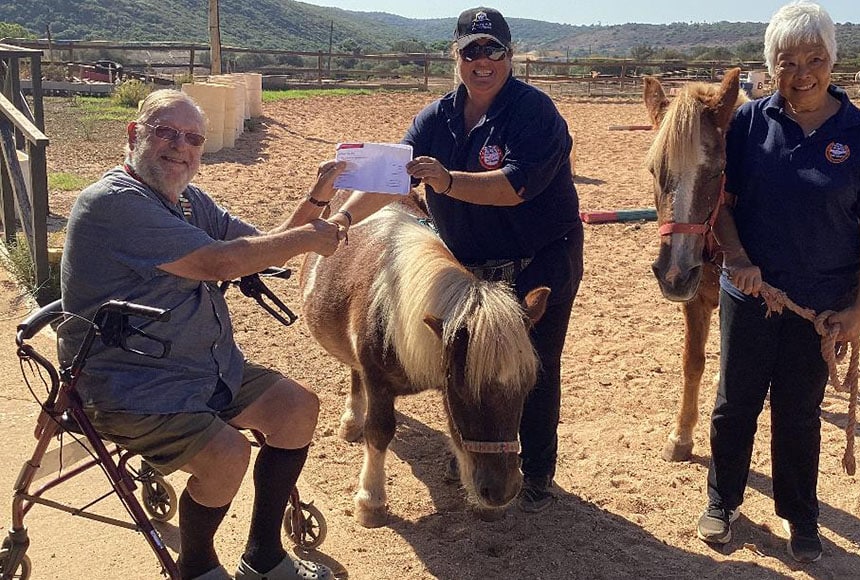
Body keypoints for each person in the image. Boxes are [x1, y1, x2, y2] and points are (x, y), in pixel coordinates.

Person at [58, 89, 352, 580]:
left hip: (201, 365)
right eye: (165, 133)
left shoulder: (189, 200)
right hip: (132, 384)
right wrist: (309, 239)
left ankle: (263, 555)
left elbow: (261, 248)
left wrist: (318, 197)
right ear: (134, 136)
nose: (180, 147)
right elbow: (217, 263)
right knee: (226, 453)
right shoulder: (112, 203)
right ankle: (196, 567)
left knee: (298, 408)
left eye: (192, 138)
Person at [331, 6, 583, 514]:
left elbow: (515, 187)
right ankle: (471, 450)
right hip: (470, 262)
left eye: (493, 50)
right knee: (465, 362)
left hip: (539, 258)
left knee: (528, 364)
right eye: (471, 51)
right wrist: (341, 223)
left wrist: (446, 180)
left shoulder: (534, 112)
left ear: (509, 57)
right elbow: (391, 179)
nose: (482, 60)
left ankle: (534, 471)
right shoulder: (436, 115)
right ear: (457, 57)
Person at [695, 0, 860, 563]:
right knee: (734, 404)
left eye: (815, 58)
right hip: (751, 293)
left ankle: (799, 514)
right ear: (770, 64)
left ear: (833, 60)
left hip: (820, 306)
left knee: (800, 410)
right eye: (786, 61)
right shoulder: (747, 124)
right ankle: (723, 500)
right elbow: (721, 202)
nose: (801, 73)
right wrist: (736, 257)